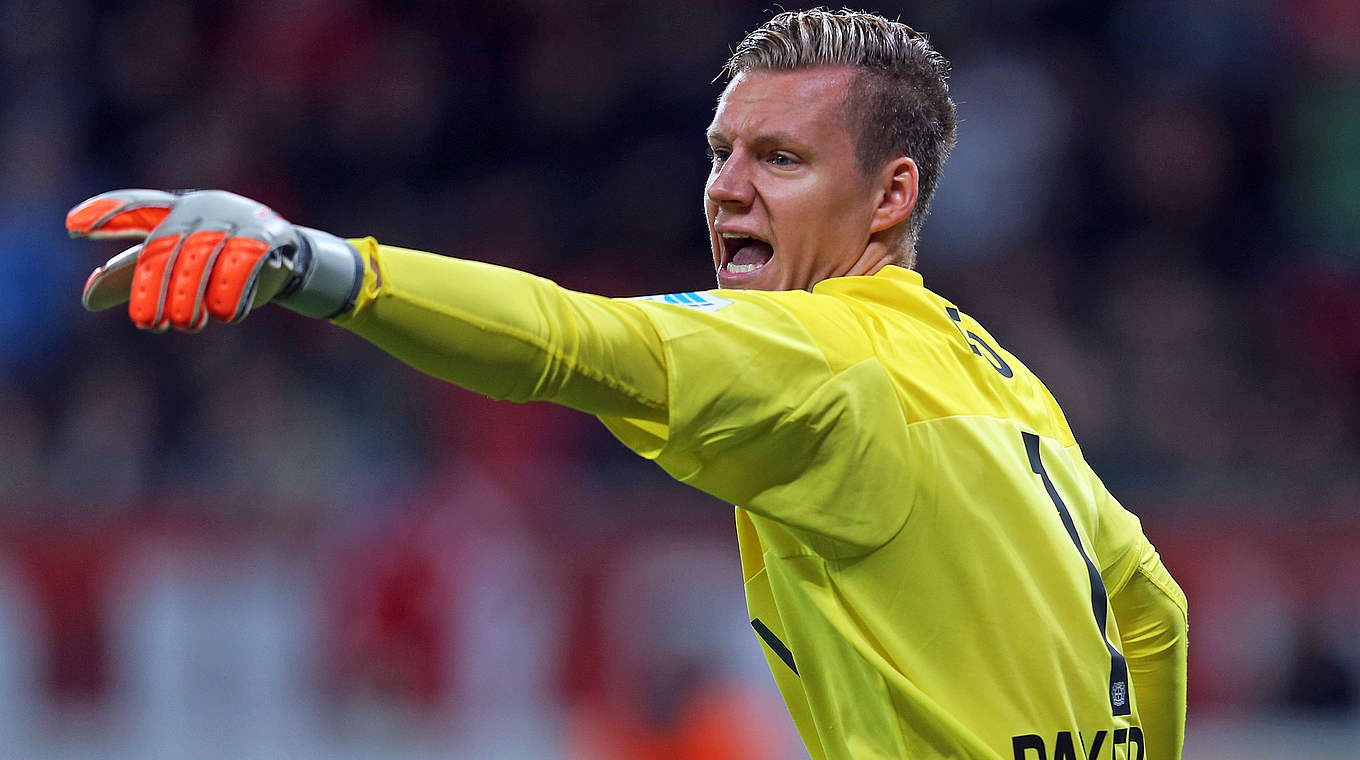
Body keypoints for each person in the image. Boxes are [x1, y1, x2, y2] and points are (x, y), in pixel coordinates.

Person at [66, 9, 1188, 760]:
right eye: (720, 151)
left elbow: (571, 339)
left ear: (890, 197)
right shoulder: (992, 371)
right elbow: (1155, 610)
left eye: (779, 160)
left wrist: (320, 264)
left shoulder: (816, 354)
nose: (727, 189)